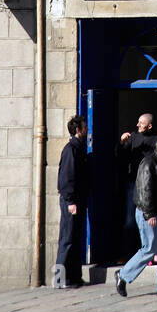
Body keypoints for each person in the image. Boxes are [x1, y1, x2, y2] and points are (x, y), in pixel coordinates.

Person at [115, 132, 157, 298]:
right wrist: (149, 213)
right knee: (149, 249)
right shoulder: (149, 163)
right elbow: (145, 190)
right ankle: (123, 275)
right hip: (148, 213)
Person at [55, 115, 89, 288]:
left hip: (78, 200)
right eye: (84, 127)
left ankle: (74, 277)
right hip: (71, 201)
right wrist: (70, 201)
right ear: (78, 130)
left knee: (75, 239)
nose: (87, 130)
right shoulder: (71, 149)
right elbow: (66, 178)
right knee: (67, 239)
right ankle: (60, 279)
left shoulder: (80, 149)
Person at [118, 113, 157, 256]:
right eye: (138, 122)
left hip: (149, 186)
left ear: (150, 125)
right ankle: (129, 254)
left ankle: (149, 252)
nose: (137, 125)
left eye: (141, 123)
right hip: (133, 184)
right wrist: (122, 143)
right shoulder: (133, 138)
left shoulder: (156, 141)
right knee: (130, 220)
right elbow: (120, 156)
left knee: (149, 219)